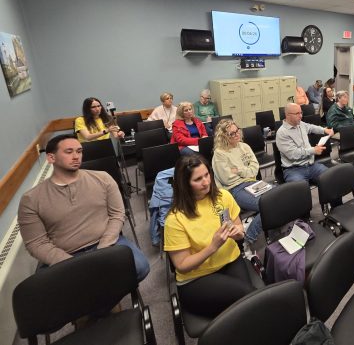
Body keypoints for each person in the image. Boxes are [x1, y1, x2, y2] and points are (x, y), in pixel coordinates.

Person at [18, 134, 149, 282]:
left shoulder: (103, 178)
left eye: (79, 151)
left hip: (107, 244)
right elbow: (36, 243)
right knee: (51, 295)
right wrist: (73, 264)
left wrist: (104, 246)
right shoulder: (31, 199)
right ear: (51, 158)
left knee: (140, 267)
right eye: (69, 152)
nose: (76, 156)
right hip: (66, 255)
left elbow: (117, 215)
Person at [164, 154, 255, 318]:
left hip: (229, 260)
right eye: (198, 179)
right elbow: (182, 265)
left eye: (207, 175)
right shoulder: (175, 219)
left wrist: (238, 233)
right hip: (197, 278)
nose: (206, 182)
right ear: (184, 184)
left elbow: (239, 227)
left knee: (248, 304)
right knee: (248, 298)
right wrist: (213, 247)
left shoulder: (223, 196)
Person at [212, 119, 263, 252]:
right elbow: (228, 178)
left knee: (279, 196)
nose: (236, 135)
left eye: (237, 131)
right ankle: (248, 239)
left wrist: (239, 170)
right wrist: (246, 172)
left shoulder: (244, 146)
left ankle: (274, 231)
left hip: (253, 183)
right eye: (231, 134)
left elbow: (255, 169)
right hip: (235, 189)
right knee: (268, 205)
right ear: (223, 137)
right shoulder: (219, 153)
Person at [276, 103, 334, 186]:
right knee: (301, 191)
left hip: (311, 165)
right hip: (293, 169)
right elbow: (293, 154)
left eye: (301, 113)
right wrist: (313, 150)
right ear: (287, 115)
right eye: (297, 113)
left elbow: (311, 127)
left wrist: (324, 130)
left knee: (331, 179)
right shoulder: (282, 133)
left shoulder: (300, 124)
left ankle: (332, 199)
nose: (300, 116)